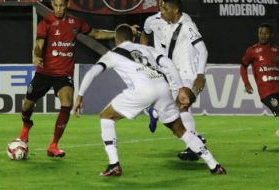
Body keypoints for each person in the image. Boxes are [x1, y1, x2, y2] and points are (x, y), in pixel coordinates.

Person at [73, 24, 226, 176]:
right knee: (180, 130)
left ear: (116, 39)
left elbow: (93, 72)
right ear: (133, 38)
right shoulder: (148, 49)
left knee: (106, 116)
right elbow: (169, 64)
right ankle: (214, 165)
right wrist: (180, 89)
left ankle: (114, 164)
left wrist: (79, 96)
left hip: (143, 89)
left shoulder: (113, 54)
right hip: (162, 86)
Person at [18, 0, 117, 157]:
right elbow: (39, 44)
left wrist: (118, 33)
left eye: (61, 6)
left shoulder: (75, 23)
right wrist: (36, 55)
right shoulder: (46, 23)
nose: (58, 9)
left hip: (63, 74)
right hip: (44, 72)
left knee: (67, 103)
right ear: (51, 4)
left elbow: (96, 33)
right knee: (27, 105)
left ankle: (53, 145)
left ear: (67, 5)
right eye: (55, 6)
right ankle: (26, 126)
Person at [141, 0, 208, 161]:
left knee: (181, 106)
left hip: (189, 74)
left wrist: (200, 74)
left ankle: (193, 147)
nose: (162, 12)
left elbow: (203, 50)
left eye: (165, 9)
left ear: (175, 10)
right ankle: (194, 139)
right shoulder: (165, 24)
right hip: (173, 75)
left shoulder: (187, 25)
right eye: (161, 9)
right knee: (173, 111)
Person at [240, 23, 279, 134]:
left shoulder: (276, 50)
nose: (262, 35)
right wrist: (246, 83)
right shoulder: (252, 51)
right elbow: (243, 66)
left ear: (271, 35)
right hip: (266, 92)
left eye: (266, 33)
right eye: (260, 33)